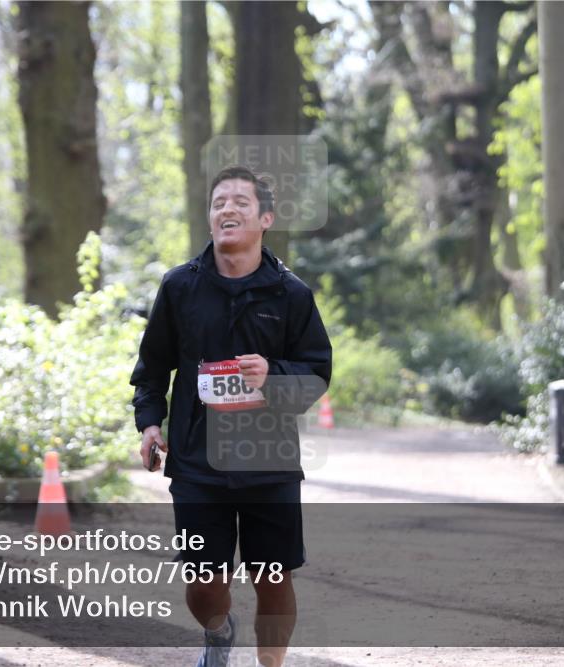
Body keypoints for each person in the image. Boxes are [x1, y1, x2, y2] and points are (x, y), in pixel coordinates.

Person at [130, 165, 333, 667]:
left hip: (269, 457)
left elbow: (317, 374)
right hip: (197, 460)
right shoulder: (179, 287)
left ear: (265, 218)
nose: (228, 210)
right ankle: (219, 633)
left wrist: (274, 373)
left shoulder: (291, 294)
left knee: (272, 575)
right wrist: (150, 423)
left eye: (241, 203)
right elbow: (152, 365)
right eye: (219, 203)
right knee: (203, 582)